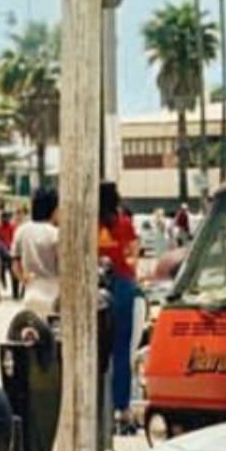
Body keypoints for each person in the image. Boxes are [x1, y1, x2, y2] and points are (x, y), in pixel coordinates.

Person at [98, 182, 140, 436]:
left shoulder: (90, 224)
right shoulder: (123, 223)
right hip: (123, 285)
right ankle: (121, 406)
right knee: (121, 350)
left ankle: (97, 404)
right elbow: (133, 254)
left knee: (97, 349)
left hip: (96, 284)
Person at [12, 187, 60, 316]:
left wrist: (23, 279)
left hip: (30, 291)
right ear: (54, 210)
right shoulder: (56, 233)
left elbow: (15, 264)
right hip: (53, 292)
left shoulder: (21, 230)